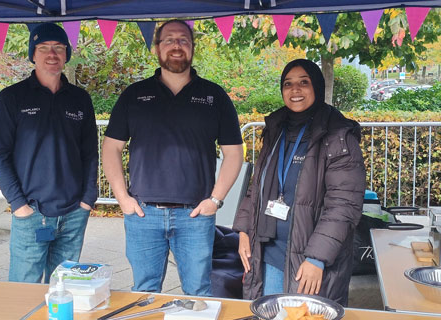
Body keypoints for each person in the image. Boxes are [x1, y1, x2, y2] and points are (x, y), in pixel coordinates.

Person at [102, 19, 243, 296]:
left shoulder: (214, 96)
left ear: (192, 48)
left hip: (195, 216)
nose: (176, 46)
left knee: (199, 293)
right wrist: (122, 199)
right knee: (144, 294)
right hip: (143, 214)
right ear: (157, 48)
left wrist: (215, 201)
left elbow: (234, 153)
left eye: (183, 40)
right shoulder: (135, 95)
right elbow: (111, 148)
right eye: (169, 40)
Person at [232, 59, 365, 306]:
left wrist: (317, 258)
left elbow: (344, 206)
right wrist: (243, 230)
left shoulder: (338, 136)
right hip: (269, 254)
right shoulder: (276, 128)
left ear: (317, 86)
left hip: (310, 261)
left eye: (304, 82)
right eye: (288, 84)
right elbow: (256, 188)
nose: (295, 90)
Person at [0, 23, 98, 283]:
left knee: (65, 290)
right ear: (33, 54)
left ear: (66, 54)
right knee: (22, 291)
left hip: (73, 213)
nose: (52, 54)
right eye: (44, 48)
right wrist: (18, 205)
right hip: (31, 213)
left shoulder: (80, 99)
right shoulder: (11, 98)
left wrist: (87, 199)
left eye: (59, 48)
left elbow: (90, 153)